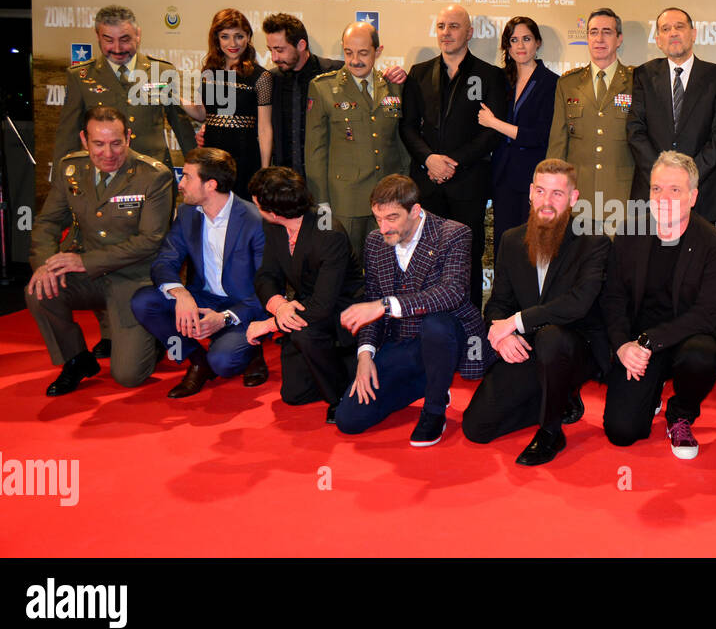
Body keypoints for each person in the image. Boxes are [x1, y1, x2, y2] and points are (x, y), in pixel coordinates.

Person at [462, 159, 611, 465]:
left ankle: (550, 431)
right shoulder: (512, 240)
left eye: (557, 194)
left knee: (552, 338)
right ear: (530, 192)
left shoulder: (594, 242)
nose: (546, 201)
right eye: (541, 191)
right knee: (477, 427)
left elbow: (577, 303)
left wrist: (515, 322)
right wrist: (500, 335)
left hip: (576, 348)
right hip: (531, 347)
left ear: (573, 198)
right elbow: (498, 303)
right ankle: (558, 397)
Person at [335, 174, 495, 445]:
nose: (383, 228)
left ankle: (434, 408)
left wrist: (386, 305)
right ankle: (431, 382)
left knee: (436, 323)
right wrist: (365, 356)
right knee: (349, 420)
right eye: (378, 218)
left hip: (448, 338)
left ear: (415, 211)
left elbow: (452, 293)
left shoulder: (453, 233)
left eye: (392, 218)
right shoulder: (375, 242)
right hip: (400, 343)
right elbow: (373, 302)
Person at [27, 106, 173, 395]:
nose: (108, 153)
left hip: (132, 280)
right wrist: (45, 264)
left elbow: (150, 241)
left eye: (116, 143)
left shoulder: (153, 176)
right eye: (98, 143)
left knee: (129, 376)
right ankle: (76, 359)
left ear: (128, 138)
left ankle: (155, 336)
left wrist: (83, 261)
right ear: (84, 139)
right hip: (88, 276)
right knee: (39, 290)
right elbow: (48, 223)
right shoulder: (71, 169)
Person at [601, 152, 716, 458]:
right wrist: (623, 345)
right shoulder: (629, 232)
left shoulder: (713, 242)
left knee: (700, 357)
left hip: (692, 334)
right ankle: (653, 389)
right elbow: (614, 298)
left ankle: (681, 414)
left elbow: (708, 312)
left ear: (692, 196)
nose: (663, 197)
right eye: (656, 188)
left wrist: (650, 342)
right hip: (641, 337)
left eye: (675, 190)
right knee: (622, 432)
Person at [130, 148, 269, 398]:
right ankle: (196, 360)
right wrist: (181, 294)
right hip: (202, 297)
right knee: (144, 301)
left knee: (224, 363)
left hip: (242, 306)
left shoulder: (254, 220)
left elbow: (268, 288)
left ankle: (251, 349)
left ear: (211, 185)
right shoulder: (186, 214)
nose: (180, 184)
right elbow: (164, 261)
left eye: (187, 177)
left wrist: (224, 318)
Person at [400, 4, 509, 308]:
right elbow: (407, 126)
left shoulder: (491, 76)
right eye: (441, 26)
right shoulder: (418, 73)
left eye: (454, 26)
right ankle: (425, 319)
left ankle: (468, 322)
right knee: (424, 256)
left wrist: (452, 163)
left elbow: (492, 133)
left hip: (467, 185)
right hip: (427, 182)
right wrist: (429, 159)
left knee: (467, 257)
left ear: (469, 33)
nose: (446, 33)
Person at [246, 166, 363, 425]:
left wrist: (270, 324)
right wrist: (279, 306)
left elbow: (322, 305)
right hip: (306, 306)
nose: (256, 208)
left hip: (343, 311)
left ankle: (340, 396)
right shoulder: (274, 226)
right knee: (294, 395)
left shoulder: (328, 232)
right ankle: (339, 365)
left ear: (274, 211)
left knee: (303, 332)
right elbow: (266, 275)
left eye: (257, 203)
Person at [305, 21, 412, 261]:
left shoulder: (394, 86)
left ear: (378, 51)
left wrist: (405, 189)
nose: (355, 60)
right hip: (345, 201)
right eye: (348, 52)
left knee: (386, 268)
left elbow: (402, 144)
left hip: (388, 199)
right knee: (343, 267)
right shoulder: (322, 88)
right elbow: (315, 151)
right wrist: (321, 203)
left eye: (363, 53)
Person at [54, 5, 196, 168]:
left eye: (125, 39)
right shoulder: (80, 77)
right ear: (98, 37)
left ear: (138, 35)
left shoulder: (162, 71)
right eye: (108, 40)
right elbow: (68, 135)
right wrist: (63, 180)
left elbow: (182, 128)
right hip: (104, 175)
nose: (117, 48)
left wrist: (197, 167)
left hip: (155, 175)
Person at [627, 7, 716, 224]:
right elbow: (635, 131)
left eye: (679, 27)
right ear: (658, 40)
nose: (673, 33)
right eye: (665, 29)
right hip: (653, 191)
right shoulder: (643, 75)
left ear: (693, 34)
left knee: (697, 256)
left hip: (700, 191)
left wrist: (687, 177)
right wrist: (663, 176)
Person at [546, 7, 635, 231]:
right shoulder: (568, 84)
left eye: (607, 32)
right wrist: (553, 190)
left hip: (622, 196)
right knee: (580, 264)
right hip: (579, 197)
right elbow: (558, 142)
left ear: (619, 39)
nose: (600, 38)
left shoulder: (637, 82)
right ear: (587, 38)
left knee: (619, 264)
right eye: (593, 32)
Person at [482, 16, 559, 245]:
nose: (520, 46)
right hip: (502, 176)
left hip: (533, 177)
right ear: (507, 46)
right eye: (513, 40)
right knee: (503, 245)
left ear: (538, 42)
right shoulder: (500, 80)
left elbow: (538, 136)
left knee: (532, 246)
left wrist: (494, 123)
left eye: (526, 39)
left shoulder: (551, 83)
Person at [181, 9, 273, 200]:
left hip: (245, 156)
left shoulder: (261, 77)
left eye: (239, 36)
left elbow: (264, 129)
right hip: (211, 154)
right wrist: (173, 97)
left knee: (242, 212)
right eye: (225, 37)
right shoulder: (209, 72)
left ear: (248, 37)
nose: (233, 44)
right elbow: (202, 113)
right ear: (216, 38)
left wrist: (264, 172)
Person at [261, 13, 342, 176]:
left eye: (280, 50)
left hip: (326, 179)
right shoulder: (270, 79)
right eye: (271, 50)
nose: (274, 57)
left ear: (301, 45)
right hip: (284, 181)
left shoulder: (335, 73)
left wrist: (394, 75)